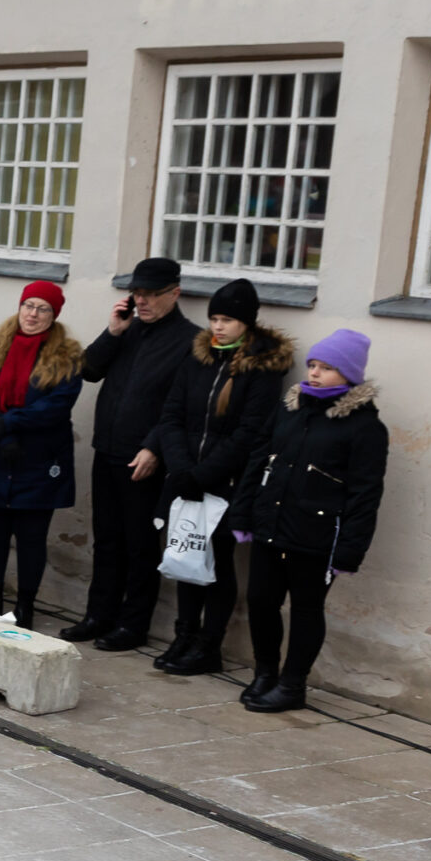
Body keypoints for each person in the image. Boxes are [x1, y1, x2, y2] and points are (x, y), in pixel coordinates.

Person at [141, 278, 293, 674]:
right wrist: (180, 467)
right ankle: (184, 635)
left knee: (217, 563)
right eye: (214, 318)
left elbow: (250, 433)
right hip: (186, 476)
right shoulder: (199, 357)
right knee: (186, 555)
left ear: (247, 322)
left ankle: (209, 646)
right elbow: (172, 413)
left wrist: (205, 473)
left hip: (226, 482)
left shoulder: (262, 369)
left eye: (227, 319)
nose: (219, 327)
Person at [237, 331, 386, 714]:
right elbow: (259, 458)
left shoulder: (364, 427)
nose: (315, 374)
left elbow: (364, 494)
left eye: (327, 368)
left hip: (317, 535)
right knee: (261, 600)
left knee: (306, 607)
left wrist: (349, 550)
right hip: (272, 525)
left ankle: (292, 685)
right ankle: (265, 673)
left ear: (349, 375)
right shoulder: (289, 408)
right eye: (313, 366)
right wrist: (244, 512)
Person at [64, 257, 195, 649]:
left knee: (139, 543)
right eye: (137, 294)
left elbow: (182, 405)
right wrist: (113, 332)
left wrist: (154, 447)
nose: (143, 302)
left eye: (152, 295)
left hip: (144, 456)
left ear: (175, 293)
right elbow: (88, 370)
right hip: (107, 448)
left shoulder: (189, 340)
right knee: (106, 538)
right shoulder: (129, 329)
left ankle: (132, 624)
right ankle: (98, 615)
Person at [0, 281, 83, 627]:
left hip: (39, 459)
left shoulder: (67, 356)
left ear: (54, 314)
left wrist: (9, 425)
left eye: (42, 308)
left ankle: (25, 606)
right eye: (28, 305)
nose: (32, 314)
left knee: (31, 538)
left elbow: (56, 405)